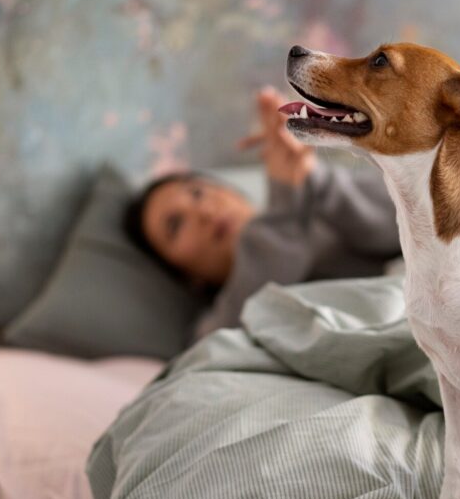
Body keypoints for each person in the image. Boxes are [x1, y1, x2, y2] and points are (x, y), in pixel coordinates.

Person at [124, 88, 400, 339]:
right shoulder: (218, 330)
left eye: (197, 192)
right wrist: (285, 200)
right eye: (175, 224)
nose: (205, 212)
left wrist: (312, 179)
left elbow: (416, 215)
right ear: (185, 277)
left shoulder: (319, 206)